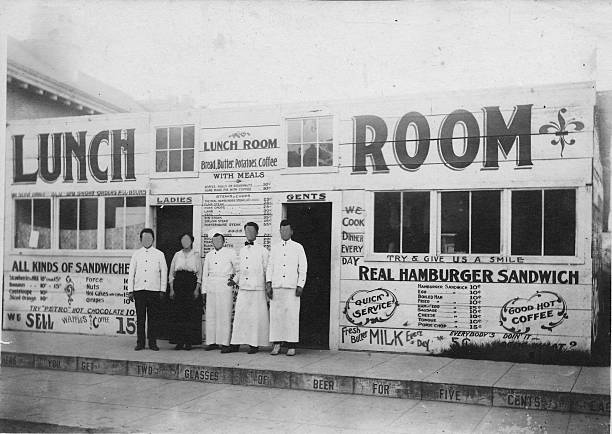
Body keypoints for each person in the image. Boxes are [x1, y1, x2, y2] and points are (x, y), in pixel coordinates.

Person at [266, 219, 307, 356]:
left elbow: (303, 268)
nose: (284, 232)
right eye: (282, 230)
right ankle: (276, 345)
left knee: (291, 317)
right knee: (276, 317)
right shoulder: (275, 247)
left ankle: (291, 346)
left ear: (291, 231)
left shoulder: (298, 247)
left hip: (291, 287)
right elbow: (269, 267)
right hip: (277, 287)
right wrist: (269, 284)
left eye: (286, 230)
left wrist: (300, 284)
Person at [229, 222, 270, 354]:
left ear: (257, 233)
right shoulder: (241, 250)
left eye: (252, 231)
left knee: (255, 318)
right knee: (240, 316)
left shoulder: (263, 251)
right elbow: (239, 270)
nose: (249, 233)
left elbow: (267, 270)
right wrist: (234, 280)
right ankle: (236, 344)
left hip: (257, 288)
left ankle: (254, 345)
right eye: (247, 231)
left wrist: (268, 286)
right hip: (244, 288)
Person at [127, 228, 167, 351]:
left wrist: (162, 289)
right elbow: (131, 273)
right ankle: (140, 343)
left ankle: (152, 343)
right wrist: (130, 290)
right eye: (144, 238)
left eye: (149, 238)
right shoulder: (136, 254)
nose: (147, 240)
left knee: (153, 318)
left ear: (153, 240)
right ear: (140, 240)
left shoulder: (159, 254)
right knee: (140, 318)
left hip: (153, 290)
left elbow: (164, 273)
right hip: (139, 290)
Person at [202, 231, 238, 353]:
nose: (217, 242)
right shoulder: (209, 255)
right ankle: (212, 342)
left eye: (219, 240)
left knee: (224, 314)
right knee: (211, 315)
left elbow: (238, 268)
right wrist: (204, 290)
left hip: (224, 285)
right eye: (214, 240)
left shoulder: (230, 253)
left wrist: (234, 281)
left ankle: (225, 343)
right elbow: (205, 274)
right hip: (212, 285)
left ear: (223, 241)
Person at [168, 232, 202, 350]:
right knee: (179, 314)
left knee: (190, 314)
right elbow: (171, 273)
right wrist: (172, 288)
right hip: (179, 285)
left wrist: (197, 289)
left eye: (187, 240)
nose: (185, 242)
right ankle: (179, 341)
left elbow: (199, 274)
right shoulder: (177, 255)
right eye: (183, 240)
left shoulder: (196, 255)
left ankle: (189, 342)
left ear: (191, 241)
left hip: (190, 284)